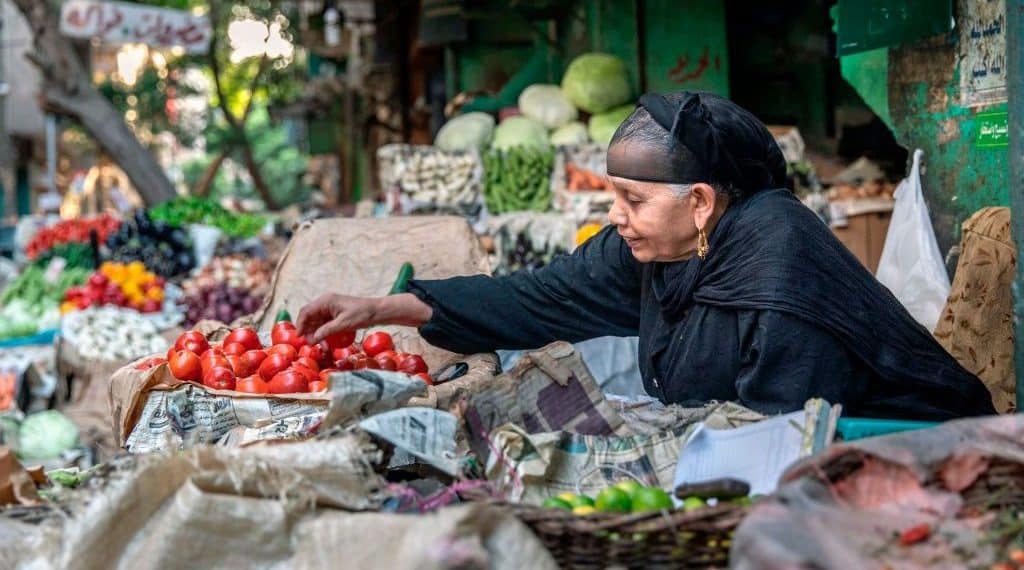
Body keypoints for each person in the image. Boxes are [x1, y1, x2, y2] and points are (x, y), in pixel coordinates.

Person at [296, 91, 996, 421]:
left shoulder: (781, 268)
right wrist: (381, 308)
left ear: (699, 201)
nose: (615, 216)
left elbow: (791, 437)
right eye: (613, 196)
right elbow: (540, 297)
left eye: (632, 198)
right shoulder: (663, 248)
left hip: (900, 446)